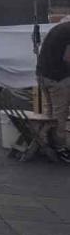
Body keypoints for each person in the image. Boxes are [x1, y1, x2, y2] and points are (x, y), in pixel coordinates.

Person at [36, 19, 70, 159]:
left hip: (43, 74)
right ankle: (61, 148)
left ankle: (45, 143)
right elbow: (68, 58)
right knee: (60, 114)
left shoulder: (60, 27)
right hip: (57, 78)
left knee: (50, 113)